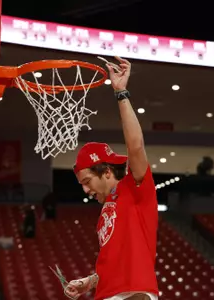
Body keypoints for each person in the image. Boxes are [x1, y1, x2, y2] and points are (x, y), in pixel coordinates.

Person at [64, 57, 158, 300]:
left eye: (87, 182)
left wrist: (121, 93)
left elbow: (135, 146)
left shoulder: (135, 187)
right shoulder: (106, 211)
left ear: (106, 172)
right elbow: (111, 265)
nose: (85, 191)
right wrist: (89, 281)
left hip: (133, 294)